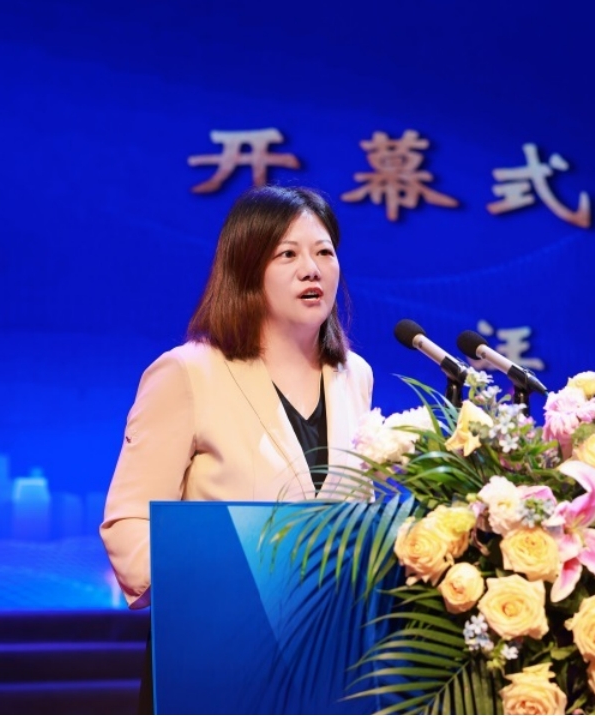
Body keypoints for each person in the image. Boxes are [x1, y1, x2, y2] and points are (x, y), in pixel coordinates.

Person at [100, 185, 373, 712]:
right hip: (214, 652)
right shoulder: (188, 372)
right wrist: (212, 578)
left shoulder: (353, 376)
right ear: (247, 268)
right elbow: (127, 524)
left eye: (324, 252)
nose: (311, 270)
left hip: (327, 655)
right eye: (287, 254)